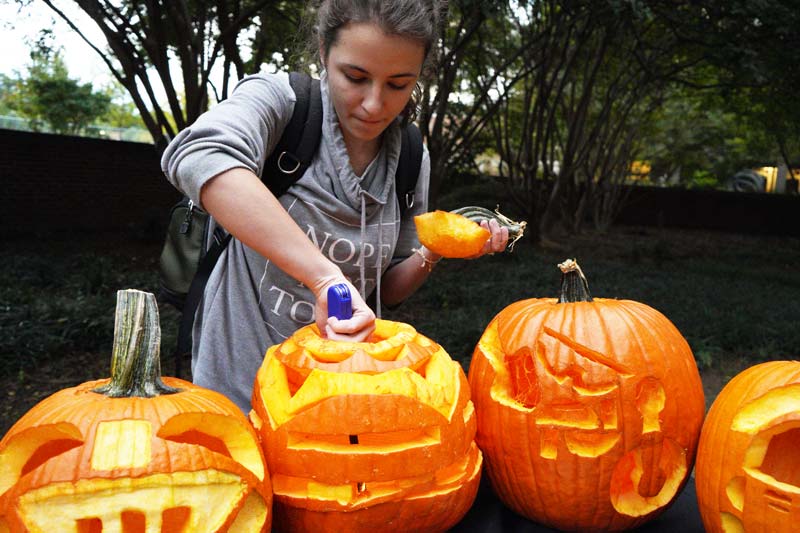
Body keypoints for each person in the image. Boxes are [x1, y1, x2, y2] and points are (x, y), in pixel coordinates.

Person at [161, 0, 509, 413]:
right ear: (324, 52)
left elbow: (388, 290)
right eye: (355, 77)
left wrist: (435, 249)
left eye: (398, 84)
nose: (374, 104)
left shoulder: (412, 157)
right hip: (240, 392)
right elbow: (200, 156)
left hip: (339, 406)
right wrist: (325, 278)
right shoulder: (280, 103)